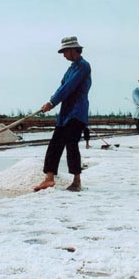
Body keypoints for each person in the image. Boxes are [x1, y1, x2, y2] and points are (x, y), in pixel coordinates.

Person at [33, 36, 92, 192]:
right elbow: (62, 87)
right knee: (55, 144)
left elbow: (68, 87)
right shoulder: (71, 67)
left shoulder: (83, 66)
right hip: (65, 113)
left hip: (77, 112)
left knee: (71, 144)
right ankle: (49, 179)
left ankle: (77, 181)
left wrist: (52, 103)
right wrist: (51, 101)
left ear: (73, 50)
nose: (64, 55)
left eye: (65, 51)